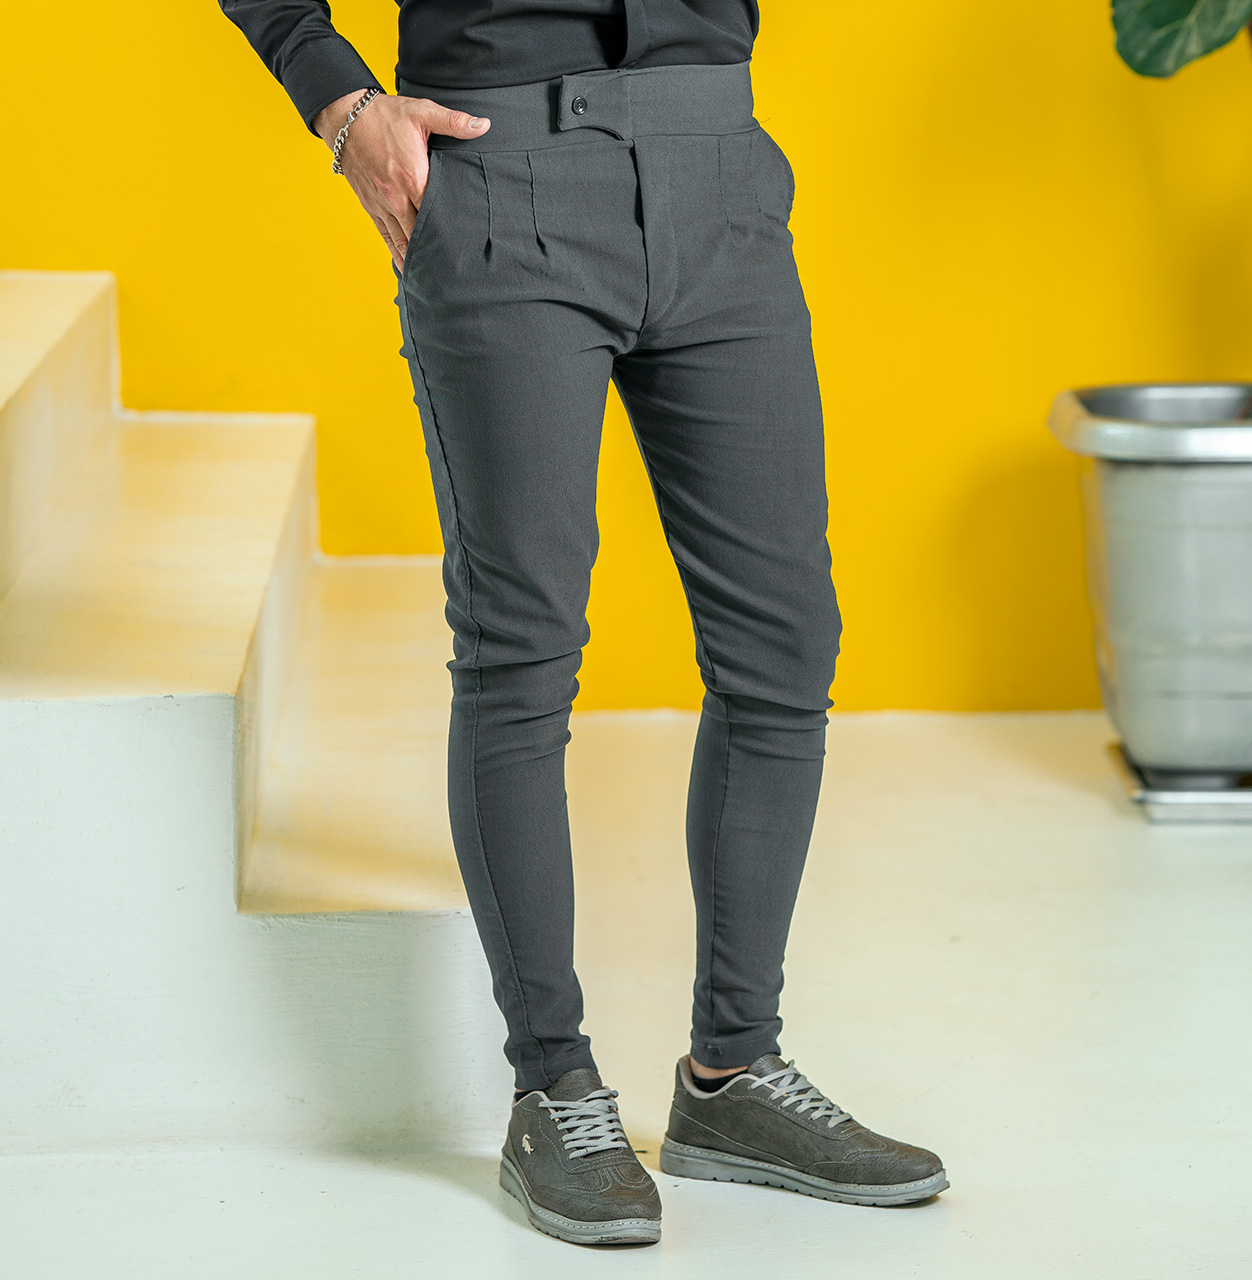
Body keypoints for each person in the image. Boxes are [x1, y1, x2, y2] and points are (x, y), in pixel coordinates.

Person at [218, 0, 947, 1245]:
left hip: (718, 169)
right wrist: (341, 103)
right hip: (499, 174)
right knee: (522, 650)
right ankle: (551, 1085)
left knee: (784, 645)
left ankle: (733, 1073)